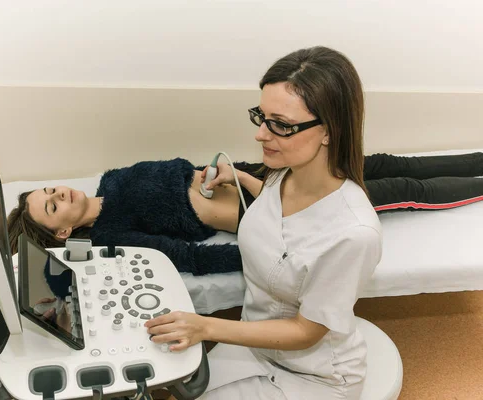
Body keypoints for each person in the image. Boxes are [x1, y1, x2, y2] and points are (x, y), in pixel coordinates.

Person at [143, 46, 382, 399]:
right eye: (262, 116)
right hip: (256, 345)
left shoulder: (354, 235)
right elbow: (277, 205)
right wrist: (238, 177)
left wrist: (205, 326)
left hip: (314, 374)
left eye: (281, 125)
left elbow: (306, 332)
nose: (261, 135)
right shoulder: (284, 173)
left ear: (330, 131)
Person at [7, 150, 483, 276]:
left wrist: (216, 171)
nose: (59, 194)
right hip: (279, 208)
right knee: (401, 189)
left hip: (259, 172)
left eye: (50, 190)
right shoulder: (113, 235)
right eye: (51, 206)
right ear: (63, 229)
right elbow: (184, 257)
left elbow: (181, 169)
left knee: (379, 164)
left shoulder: (111, 180)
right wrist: (261, 256)